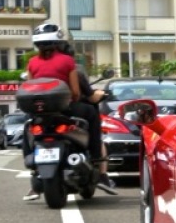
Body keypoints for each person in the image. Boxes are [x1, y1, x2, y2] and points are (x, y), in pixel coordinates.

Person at [23, 24, 114, 199]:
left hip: (40, 113)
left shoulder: (32, 62)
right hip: (67, 109)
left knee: (27, 126)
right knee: (93, 116)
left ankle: (29, 159)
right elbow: (76, 92)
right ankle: (96, 157)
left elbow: (30, 88)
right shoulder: (67, 61)